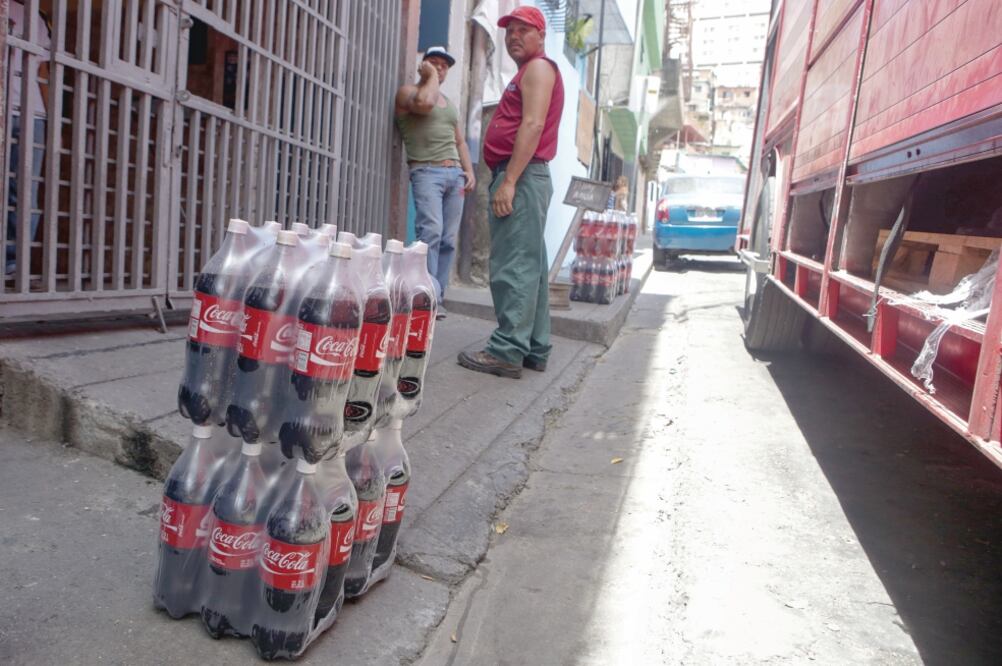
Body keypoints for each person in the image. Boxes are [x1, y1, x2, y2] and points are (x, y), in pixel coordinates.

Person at [457, 5, 564, 379]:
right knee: (529, 265)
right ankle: (534, 347)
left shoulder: (537, 68)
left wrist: (509, 180)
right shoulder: (531, 71)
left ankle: (506, 351)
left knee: (513, 265)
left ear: (541, 36)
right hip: (527, 178)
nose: (514, 36)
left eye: (523, 30)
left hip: (522, 177)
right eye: (509, 31)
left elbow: (532, 125)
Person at [395, 46, 476, 319]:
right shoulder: (409, 93)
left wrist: (469, 171)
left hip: (454, 175)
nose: (439, 68)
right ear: (423, 65)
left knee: (448, 239)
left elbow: (460, 141)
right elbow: (426, 103)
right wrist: (428, 76)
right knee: (430, 233)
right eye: (433, 63)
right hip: (426, 172)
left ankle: (436, 298)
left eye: (444, 65)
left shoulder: (449, 104)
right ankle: (424, 296)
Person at [6, 1, 50, 275]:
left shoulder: (37, 17)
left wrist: (53, 121)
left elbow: (42, 72)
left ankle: (12, 263)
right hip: (18, 107)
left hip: (32, 111)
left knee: (25, 192)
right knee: (22, 191)